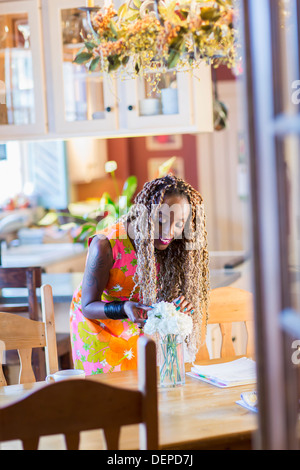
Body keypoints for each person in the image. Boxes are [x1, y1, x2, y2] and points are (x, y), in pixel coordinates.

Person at [70, 174, 210, 374]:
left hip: (138, 325)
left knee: (147, 392)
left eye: (179, 224)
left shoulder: (173, 246)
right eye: (161, 220)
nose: (168, 233)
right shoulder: (106, 244)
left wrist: (178, 305)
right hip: (98, 327)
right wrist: (124, 308)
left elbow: (162, 294)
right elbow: (87, 306)